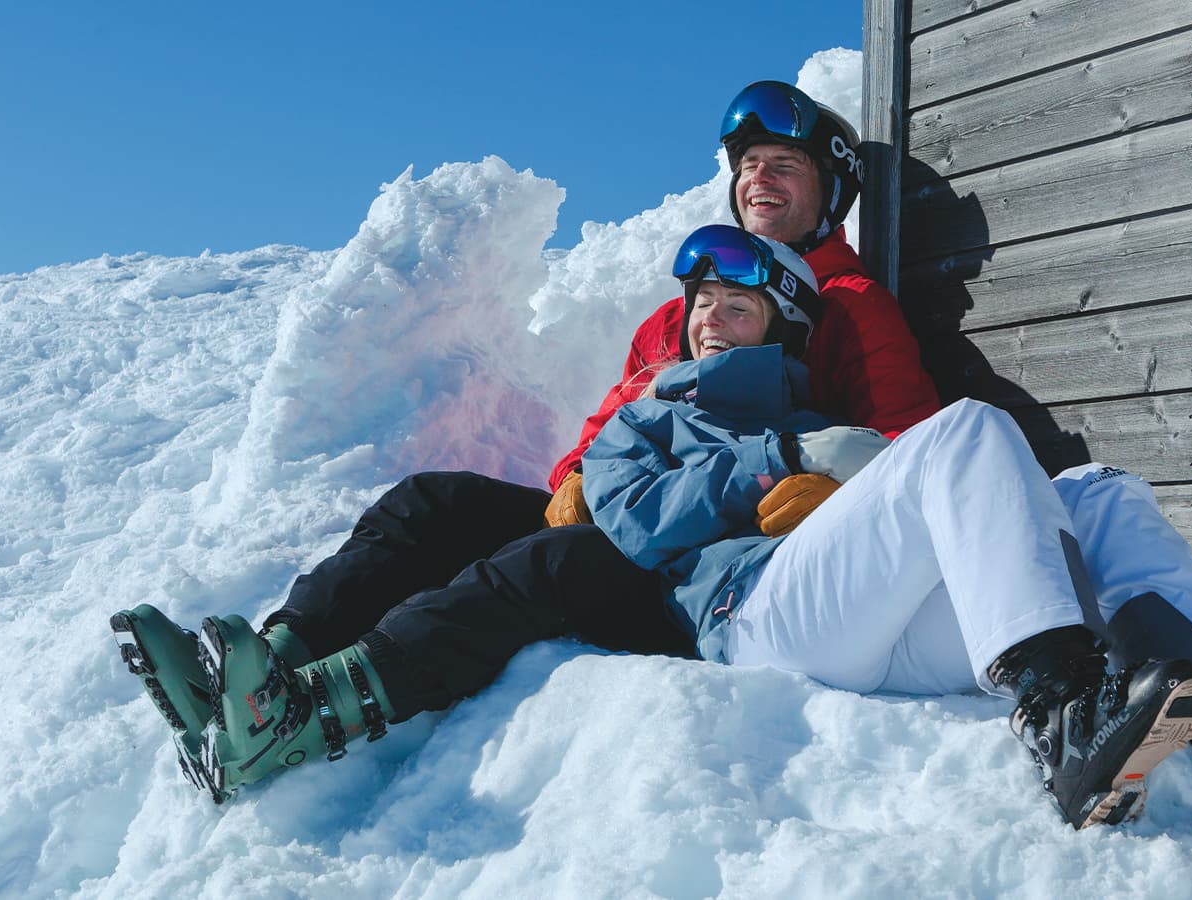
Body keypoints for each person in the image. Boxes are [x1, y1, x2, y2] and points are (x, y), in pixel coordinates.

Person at [108, 82, 940, 800]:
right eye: (748, 165)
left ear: (828, 191)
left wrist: (821, 488)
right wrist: (577, 474)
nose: (759, 180)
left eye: (784, 167)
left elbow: (902, 438)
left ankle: (313, 710)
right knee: (432, 503)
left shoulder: (849, 303)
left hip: (708, 540)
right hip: (625, 507)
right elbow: (610, 427)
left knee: (547, 567)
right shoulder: (682, 310)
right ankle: (262, 673)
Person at [579, 223, 1192, 878]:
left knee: (1100, 489)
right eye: (701, 304)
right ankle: (1059, 710)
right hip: (755, 621)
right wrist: (784, 461)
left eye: (735, 306)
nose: (708, 320)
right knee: (966, 428)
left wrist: (822, 456)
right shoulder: (646, 422)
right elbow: (634, 521)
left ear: (782, 332)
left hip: (878, 633)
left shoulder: (824, 426)